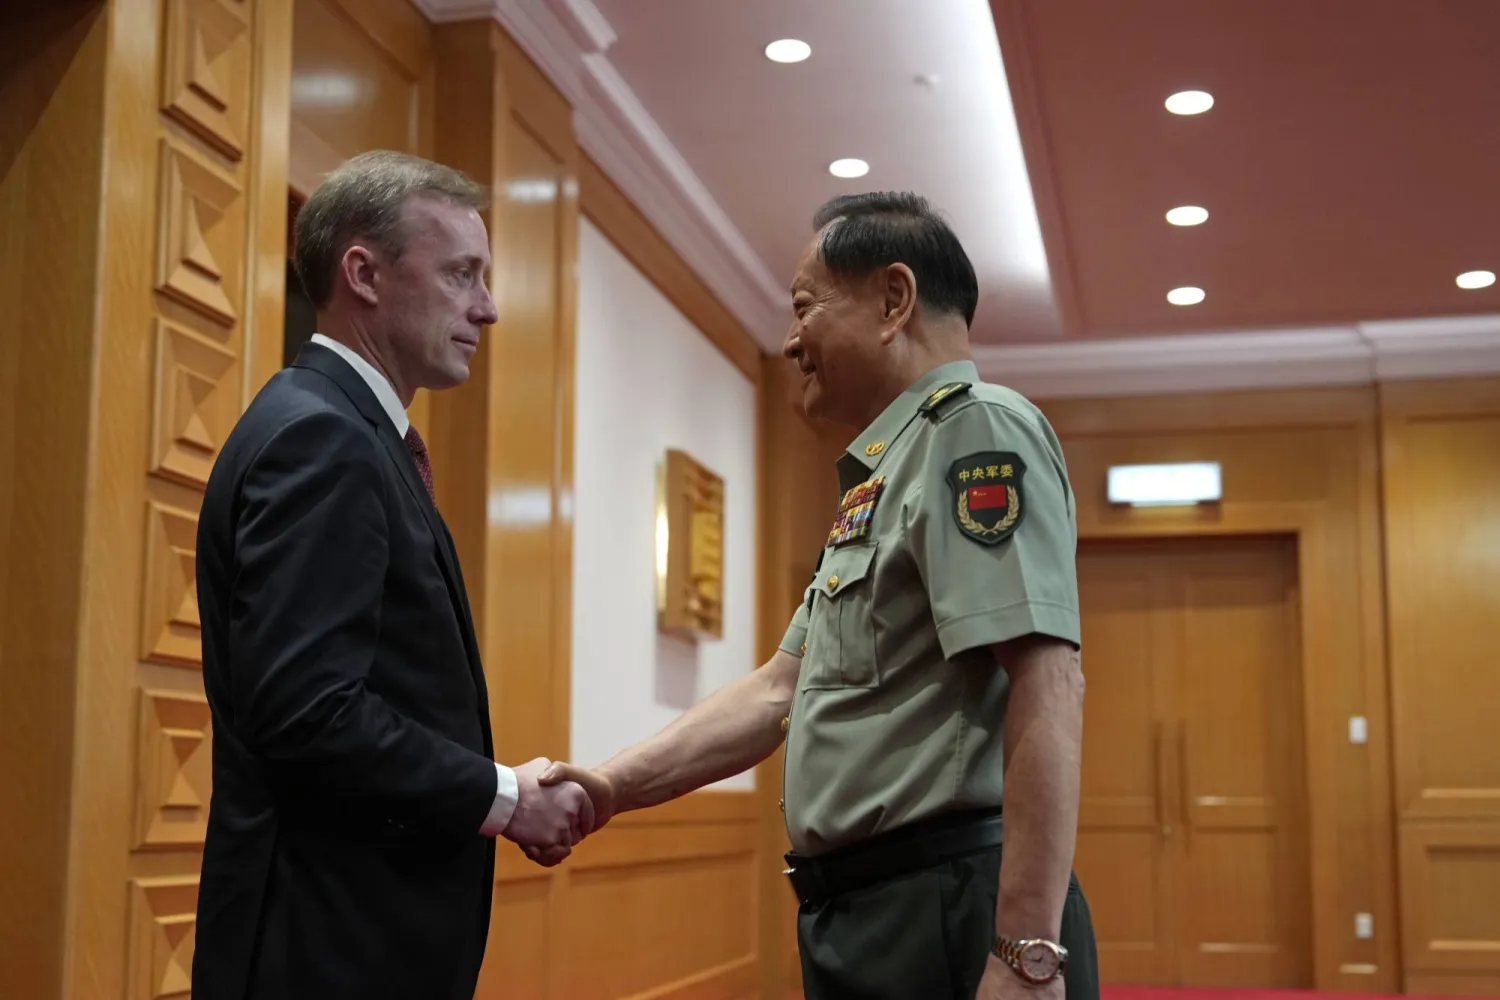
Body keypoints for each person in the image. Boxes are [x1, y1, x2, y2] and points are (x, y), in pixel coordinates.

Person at [540, 192, 1099, 1000]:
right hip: (870, 911)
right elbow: (779, 689)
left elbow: (1049, 679)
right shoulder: (882, 480)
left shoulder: (974, 432)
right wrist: (610, 784)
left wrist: (1026, 952)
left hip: (946, 905)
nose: (790, 340)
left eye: (805, 307)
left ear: (893, 300)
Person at [192, 150, 595, 1000]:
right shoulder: (322, 438)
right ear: (364, 274)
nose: (488, 308)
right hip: (327, 947)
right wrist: (503, 796)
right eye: (461, 274)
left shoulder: (342, 430)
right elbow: (308, 710)